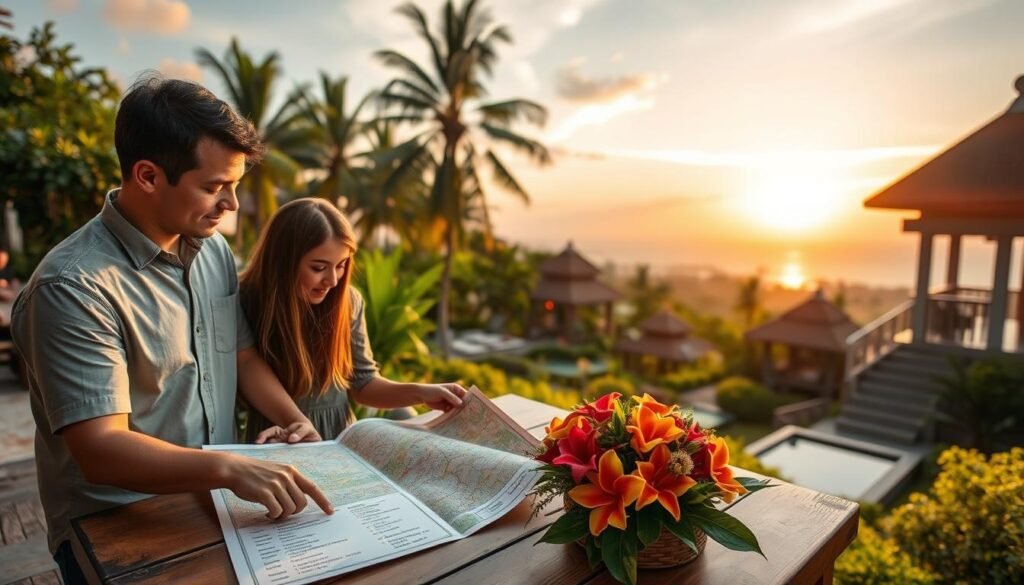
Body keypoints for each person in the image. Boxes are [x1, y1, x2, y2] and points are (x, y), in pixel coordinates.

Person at [11, 76, 332, 585]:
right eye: (213, 187)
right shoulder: (72, 287)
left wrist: (297, 422)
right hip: (119, 526)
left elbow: (241, 355)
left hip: (220, 505)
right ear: (147, 176)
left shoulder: (213, 252)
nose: (230, 205)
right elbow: (101, 447)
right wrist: (229, 468)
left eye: (234, 186)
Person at [238, 198, 466, 443]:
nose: (333, 281)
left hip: (340, 443)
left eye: (341, 265)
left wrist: (420, 393)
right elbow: (244, 372)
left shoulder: (347, 303)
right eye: (318, 268)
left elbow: (364, 385)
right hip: (279, 440)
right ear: (283, 261)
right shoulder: (246, 300)